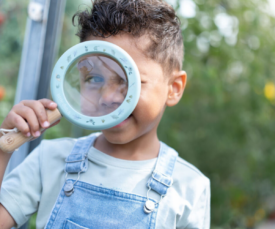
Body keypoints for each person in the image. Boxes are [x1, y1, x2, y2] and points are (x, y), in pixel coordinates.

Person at [0, 0, 210, 228]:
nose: (108, 97)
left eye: (127, 79)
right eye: (94, 78)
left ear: (174, 88)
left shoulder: (190, 187)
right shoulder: (49, 160)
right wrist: (2, 148)